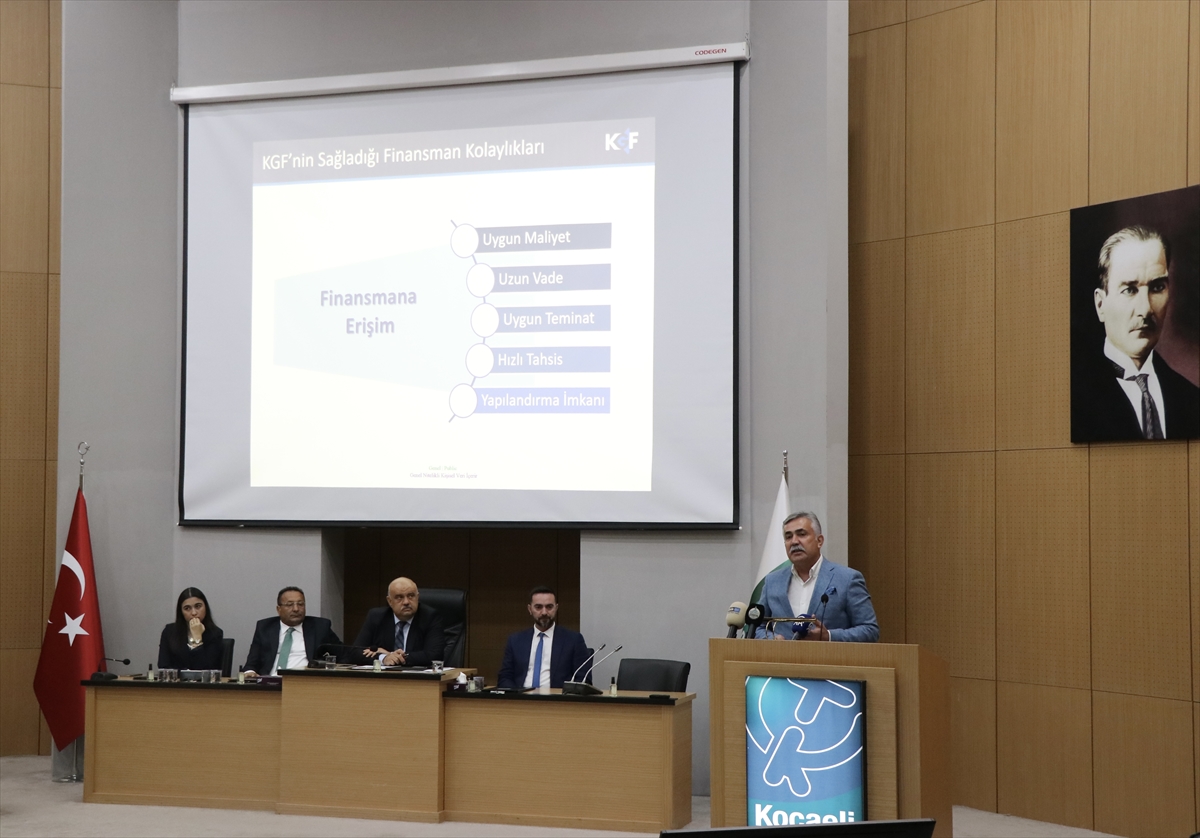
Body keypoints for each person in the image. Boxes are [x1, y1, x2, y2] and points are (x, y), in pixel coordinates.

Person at [1072, 225, 1200, 441]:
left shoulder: (1191, 399)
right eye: (1130, 290)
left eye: (1157, 287)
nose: (1146, 309)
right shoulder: (1072, 396)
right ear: (1100, 304)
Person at [756, 512, 878, 643]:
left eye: (802, 534)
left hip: (828, 656)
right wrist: (771, 639)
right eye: (788, 536)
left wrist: (829, 636)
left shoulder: (847, 579)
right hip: (782, 656)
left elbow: (870, 630)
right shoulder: (772, 581)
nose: (794, 541)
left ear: (819, 541)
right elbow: (757, 626)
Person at [497, 585, 592, 689]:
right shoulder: (515, 640)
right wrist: (516, 694)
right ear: (530, 609)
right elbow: (505, 677)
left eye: (549, 607)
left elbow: (583, 679)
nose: (544, 612)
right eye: (538, 607)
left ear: (556, 608)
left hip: (557, 697)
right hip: (522, 696)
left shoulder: (573, 640)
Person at [243, 586, 342, 677]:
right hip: (270, 682)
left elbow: (343, 654)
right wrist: (250, 672)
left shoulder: (320, 627)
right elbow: (251, 663)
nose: (296, 609)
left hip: (305, 682)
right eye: (289, 605)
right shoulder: (264, 628)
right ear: (279, 609)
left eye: (300, 604)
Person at [352, 577, 446, 667]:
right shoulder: (376, 617)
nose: (406, 602)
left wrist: (392, 656)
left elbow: (435, 655)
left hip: (415, 677)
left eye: (411, 596)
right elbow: (355, 652)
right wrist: (384, 658)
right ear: (390, 601)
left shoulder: (429, 617)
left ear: (417, 597)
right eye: (399, 597)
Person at [158, 587, 225, 669]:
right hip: (176, 677)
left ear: (205, 607)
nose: (194, 613)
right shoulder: (169, 631)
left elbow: (207, 669)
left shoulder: (215, 634)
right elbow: (163, 666)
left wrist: (197, 639)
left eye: (198, 606)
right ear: (181, 612)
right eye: (187, 608)